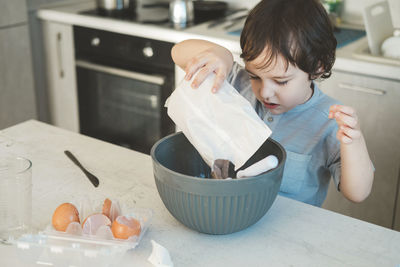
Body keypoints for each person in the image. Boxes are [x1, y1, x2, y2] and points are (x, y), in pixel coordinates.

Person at [170, 0, 374, 207]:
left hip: (288, 233)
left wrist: (353, 143)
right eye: (255, 76)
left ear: (317, 68)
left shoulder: (328, 121)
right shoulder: (236, 84)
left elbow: (357, 193)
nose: (265, 93)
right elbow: (178, 52)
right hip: (227, 216)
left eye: (281, 81)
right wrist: (221, 55)